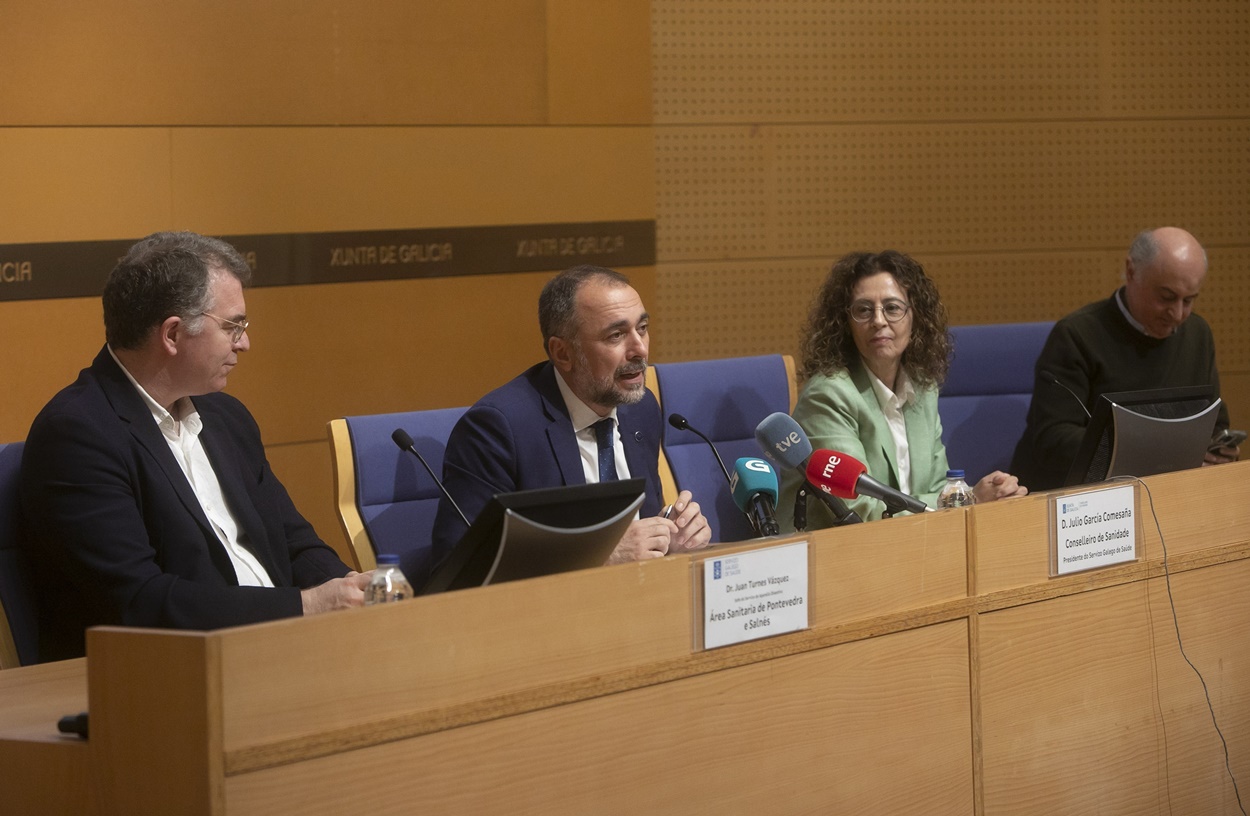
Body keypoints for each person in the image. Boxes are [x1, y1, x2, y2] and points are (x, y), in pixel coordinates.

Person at [20, 231, 370, 662]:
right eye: (233, 326)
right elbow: (140, 603)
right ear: (172, 333)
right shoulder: (78, 434)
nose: (244, 343)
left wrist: (354, 590)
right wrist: (309, 606)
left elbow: (293, 542)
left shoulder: (228, 418)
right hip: (161, 679)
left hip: (277, 652)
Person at [431, 264, 711, 568]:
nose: (639, 349)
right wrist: (599, 555)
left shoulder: (640, 409)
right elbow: (461, 566)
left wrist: (670, 535)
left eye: (642, 329)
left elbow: (637, 536)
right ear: (562, 353)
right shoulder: (499, 429)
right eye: (616, 335)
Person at [779, 251, 1027, 528]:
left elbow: (937, 487)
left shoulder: (922, 389)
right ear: (845, 323)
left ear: (915, 317)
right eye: (863, 309)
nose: (878, 321)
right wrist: (966, 500)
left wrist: (969, 498)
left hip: (910, 545)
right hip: (831, 554)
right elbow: (859, 511)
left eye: (892, 308)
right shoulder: (828, 395)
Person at [1010, 227, 1238, 490]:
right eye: (1166, 297)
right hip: (1078, 500)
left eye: (1189, 301)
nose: (1177, 314)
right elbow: (1053, 440)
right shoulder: (1076, 335)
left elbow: (1214, 422)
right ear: (1131, 272)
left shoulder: (1197, 334)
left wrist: (1219, 451)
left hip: (1167, 490)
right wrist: (1153, 452)